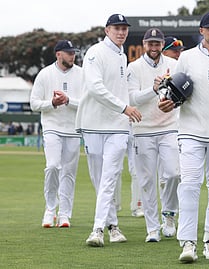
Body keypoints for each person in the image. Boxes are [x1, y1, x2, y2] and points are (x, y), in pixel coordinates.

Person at [158, 12, 209, 263]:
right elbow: (170, 89)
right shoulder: (187, 57)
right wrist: (165, 102)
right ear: (202, 31)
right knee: (189, 185)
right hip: (191, 131)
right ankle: (188, 242)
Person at [76, 13, 142, 247]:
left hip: (117, 126)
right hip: (93, 124)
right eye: (117, 28)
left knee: (109, 176)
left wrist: (125, 110)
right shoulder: (95, 53)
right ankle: (113, 226)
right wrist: (124, 107)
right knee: (99, 180)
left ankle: (97, 230)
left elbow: (121, 91)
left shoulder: (122, 55)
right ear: (107, 30)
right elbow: (94, 88)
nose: (122, 32)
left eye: (124, 28)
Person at [127, 27, 180, 242]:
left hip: (170, 127)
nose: (154, 47)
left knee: (174, 174)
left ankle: (168, 215)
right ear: (144, 44)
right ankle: (152, 228)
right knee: (147, 181)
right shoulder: (134, 67)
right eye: (151, 43)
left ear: (161, 45)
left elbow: (183, 92)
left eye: (158, 43)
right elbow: (132, 99)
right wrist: (154, 89)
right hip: (143, 130)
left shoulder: (174, 65)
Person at [30, 39, 83, 228]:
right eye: (69, 53)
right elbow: (34, 104)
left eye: (74, 53)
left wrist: (68, 100)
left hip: (73, 129)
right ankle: (50, 210)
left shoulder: (82, 74)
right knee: (52, 166)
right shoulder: (45, 74)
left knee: (69, 173)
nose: (73, 56)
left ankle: (64, 214)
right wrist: (52, 104)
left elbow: (87, 103)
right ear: (58, 54)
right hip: (52, 126)